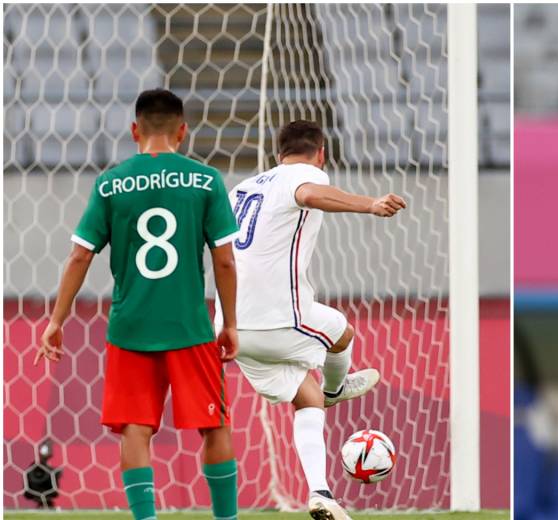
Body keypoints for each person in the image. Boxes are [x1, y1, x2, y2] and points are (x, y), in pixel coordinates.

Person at [37, 89, 241, 520]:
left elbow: (80, 255)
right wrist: (231, 323)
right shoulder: (205, 180)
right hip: (190, 327)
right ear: (183, 132)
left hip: (130, 328)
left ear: (135, 130)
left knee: (135, 427)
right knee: (215, 424)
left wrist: (57, 320)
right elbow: (224, 259)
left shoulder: (111, 183)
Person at [215, 120, 406, 520]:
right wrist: (369, 204)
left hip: (230, 328)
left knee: (307, 397)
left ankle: (321, 493)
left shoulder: (242, 189)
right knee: (343, 335)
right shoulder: (303, 176)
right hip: (280, 318)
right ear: (321, 153)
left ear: (276, 152)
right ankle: (337, 388)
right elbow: (310, 192)